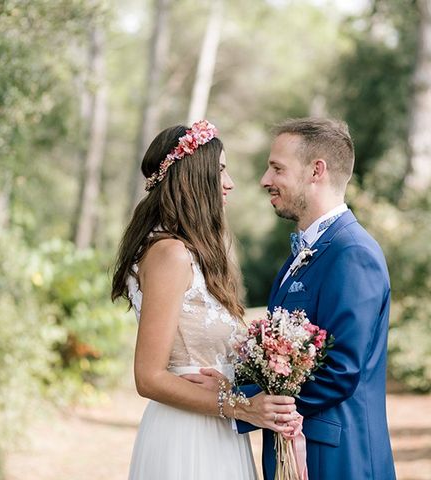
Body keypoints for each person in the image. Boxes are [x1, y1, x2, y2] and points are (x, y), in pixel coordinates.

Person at [111, 120, 297, 480]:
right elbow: (148, 377)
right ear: (193, 177)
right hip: (186, 434)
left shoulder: (192, 254)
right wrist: (242, 407)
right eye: (221, 171)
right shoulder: (170, 254)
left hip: (218, 427)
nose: (229, 184)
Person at [230, 118, 397, 479]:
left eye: (277, 168)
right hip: (293, 451)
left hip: (336, 459)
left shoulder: (352, 253)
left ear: (316, 171)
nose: (265, 180)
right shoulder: (301, 254)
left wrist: (246, 402)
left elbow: (341, 370)